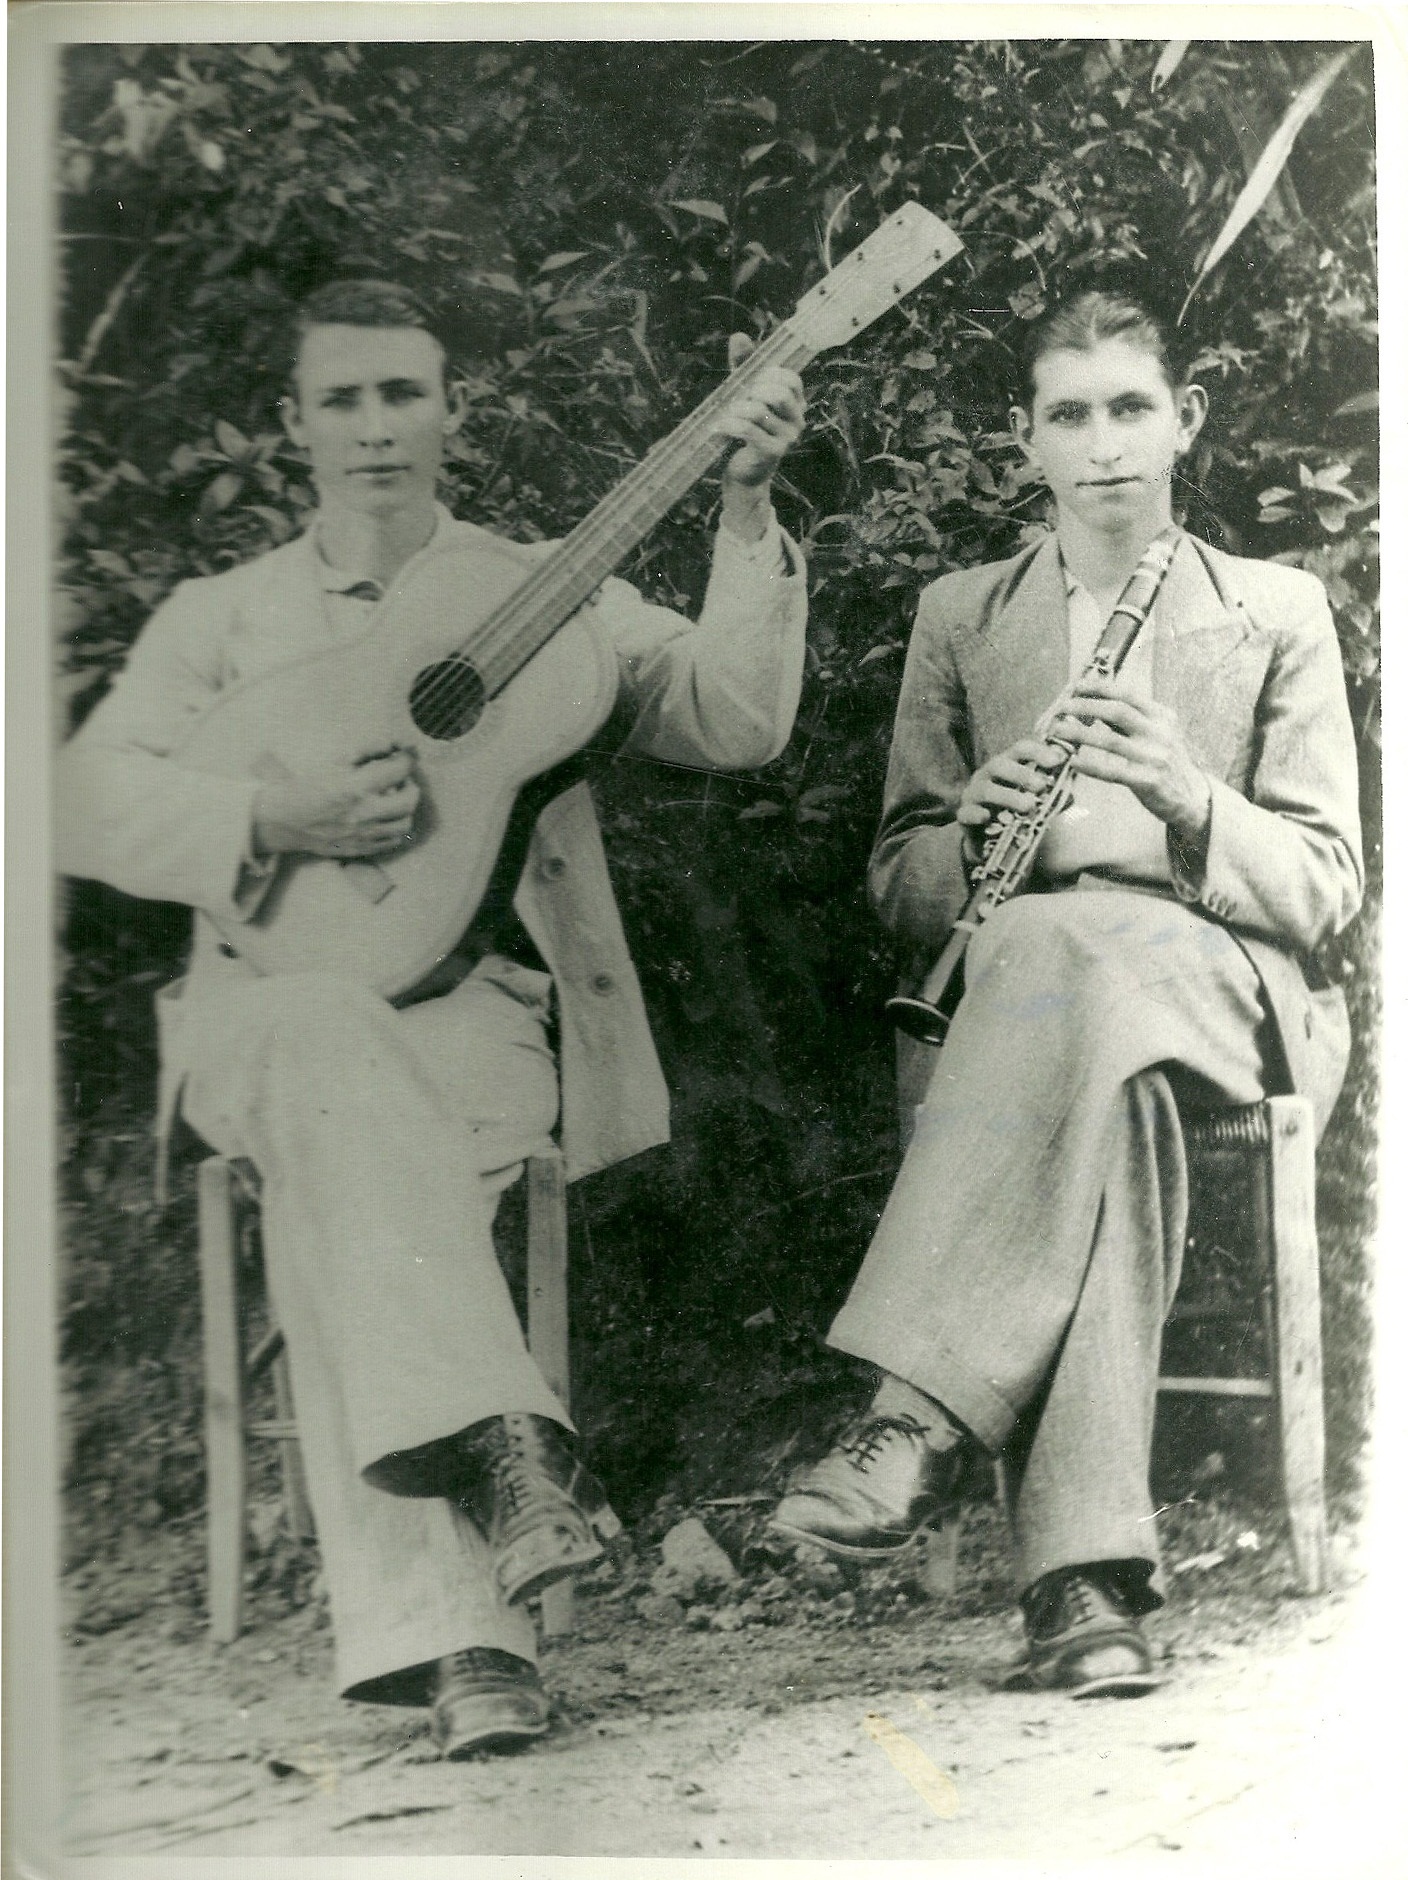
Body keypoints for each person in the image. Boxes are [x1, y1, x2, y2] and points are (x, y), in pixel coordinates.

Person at [58, 278, 807, 1754]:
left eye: (404, 392)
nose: (376, 427)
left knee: (361, 1178)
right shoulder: (226, 618)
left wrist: (743, 510)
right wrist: (271, 808)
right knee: (331, 1047)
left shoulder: (538, 590)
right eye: (342, 398)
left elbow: (736, 718)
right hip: (259, 1011)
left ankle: (469, 1629)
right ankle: (507, 1492)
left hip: (474, 1016)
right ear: (292, 424)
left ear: (454, 409)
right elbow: (77, 798)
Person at [766, 285, 1362, 1696]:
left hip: (1227, 983)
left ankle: (905, 1409)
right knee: (1098, 1062)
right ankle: (1085, 1593)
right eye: (1071, 415)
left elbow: (1331, 883)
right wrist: (972, 821)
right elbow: (902, 882)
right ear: (1023, 440)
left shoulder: (1276, 610)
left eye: (1132, 410)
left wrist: (1185, 796)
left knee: (1062, 959)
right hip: (1065, 1031)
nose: (1105, 447)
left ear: (1184, 423)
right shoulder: (961, 617)